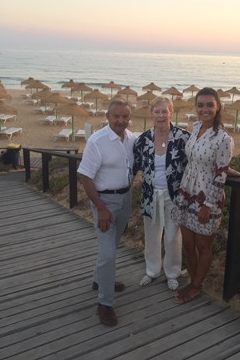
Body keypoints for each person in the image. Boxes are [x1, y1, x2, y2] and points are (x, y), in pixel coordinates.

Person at [172, 87, 234, 304]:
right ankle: (192, 279)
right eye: (200, 105)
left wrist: (208, 204)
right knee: (188, 243)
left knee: (202, 245)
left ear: (218, 107)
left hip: (207, 197)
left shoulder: (223, 138)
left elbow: (220, 173)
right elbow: (196, 159)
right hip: (186, 191)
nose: (204, 109)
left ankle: (196, 285)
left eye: (209, 104)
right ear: (195, 107)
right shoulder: (196, 127)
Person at [77, 99, 136, 326]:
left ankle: (99, 281)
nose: (121, 120)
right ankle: (105, 303)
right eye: (116, 116)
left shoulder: (132, 138)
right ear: (107, 116)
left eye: (125, 117)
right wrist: (101, 208)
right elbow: (85, 176)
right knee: (109, 253)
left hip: (125, 198)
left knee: (113, 245)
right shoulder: (97, 141)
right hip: (105, 202)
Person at [133, 97, 190, 291]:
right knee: (151, 234)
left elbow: (195, 162)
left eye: (164, 111)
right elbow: (133, 164)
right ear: (151, 114)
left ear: (171, 113)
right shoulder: (143, 139)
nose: (160, 115)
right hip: (150, 195)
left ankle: (172, 273)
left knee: (172, 236)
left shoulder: (183, 137)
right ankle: (152, 270)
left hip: (174, 196)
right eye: (157, 111)